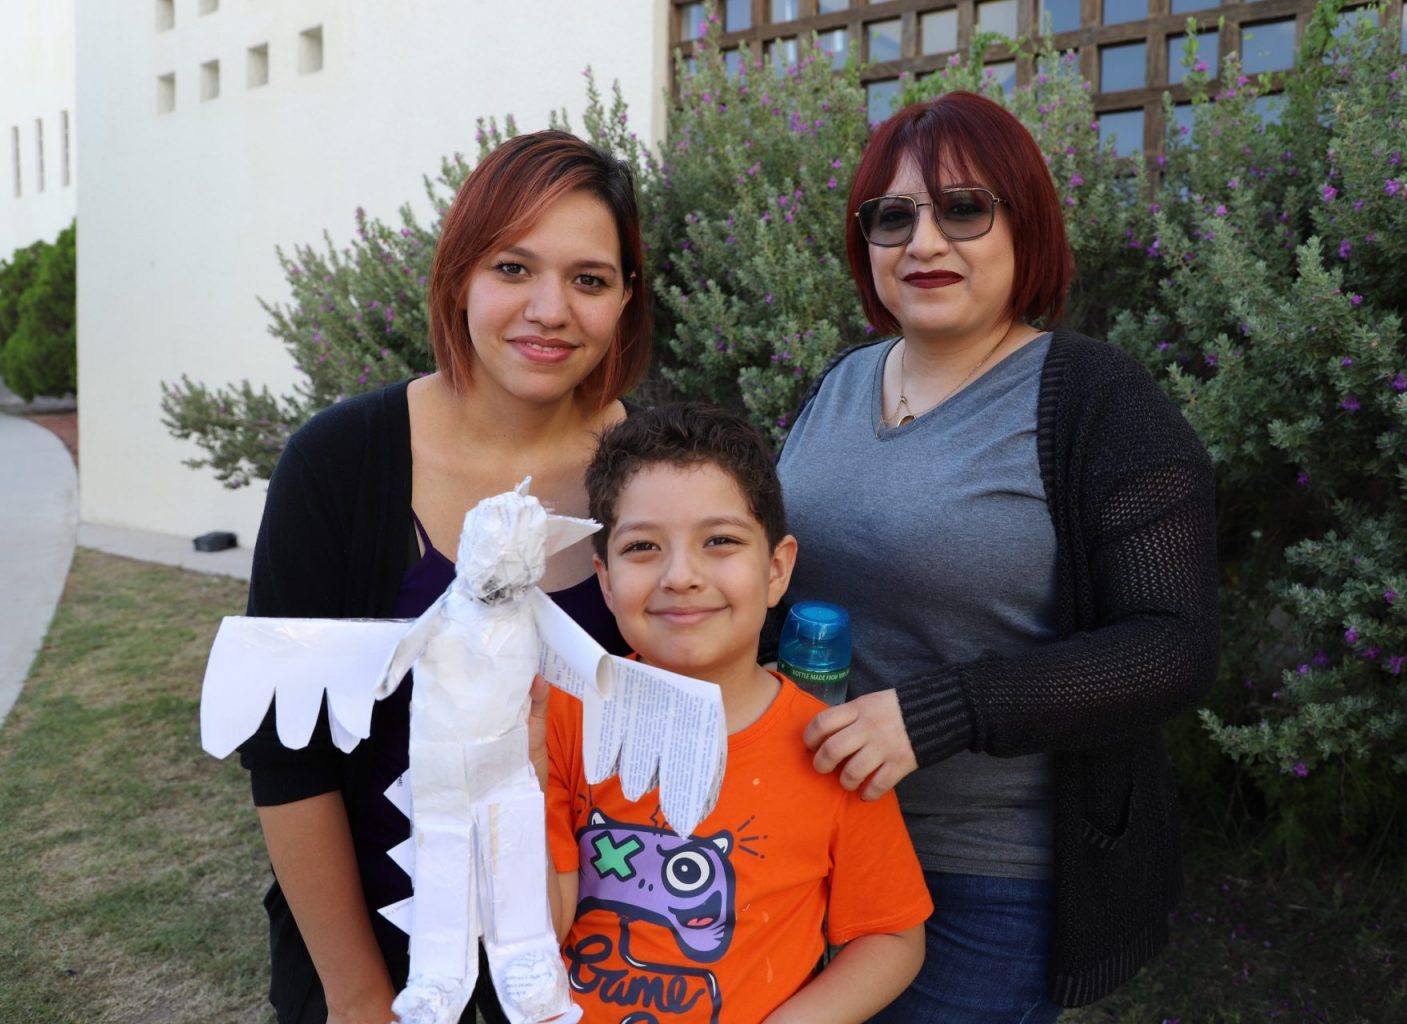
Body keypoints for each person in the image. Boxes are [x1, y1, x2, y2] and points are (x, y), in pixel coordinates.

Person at [775, 91, 1220, 1022]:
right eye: (892, 218)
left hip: (979, 878)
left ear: (1026, 224)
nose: (924, 242)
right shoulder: (844, 379)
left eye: (964, 209)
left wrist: (939, 714)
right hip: (801, 845)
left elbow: (1172, 646)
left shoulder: (1097, 399)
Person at [238, 130, 651, 1024]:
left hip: (616, 971)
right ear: (459, 276)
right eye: (513, 268)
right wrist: (357, 995)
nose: (550, 309)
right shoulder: (339, 463)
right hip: (382, 958)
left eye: (589, 279)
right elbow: (283, 752)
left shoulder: (662, 472)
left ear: (626, 298)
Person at [537, 402, 931, 1023]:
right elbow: (537, 930)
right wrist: (522, 776)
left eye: (719, 541)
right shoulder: (558, 721)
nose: (681, 576)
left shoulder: (831, 747)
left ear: (776, 570)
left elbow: (891, 935)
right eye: (642, 546)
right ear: (606, 582)